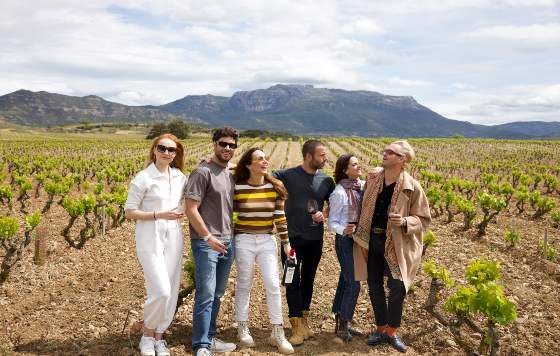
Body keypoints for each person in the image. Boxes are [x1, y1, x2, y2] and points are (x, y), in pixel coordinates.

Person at [353, 140, 431, 353]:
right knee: (375, 285)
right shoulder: (373, 179)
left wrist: (405, 222)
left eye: (391, 152)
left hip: (396, 244)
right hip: (371, 240)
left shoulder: (412, 187)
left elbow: (423, 220)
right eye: (385, 150)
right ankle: (380, 329)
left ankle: (392, 332)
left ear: (402, 159)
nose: (385, 153)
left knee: (398, 287)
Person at [124, 133, 188, 356]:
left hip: (174, 236)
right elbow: (129, 211)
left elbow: (190, 200)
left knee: (170, 289)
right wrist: (158, 214)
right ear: (154, 150)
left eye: (172, 150)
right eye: (162, 148)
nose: (167, 153)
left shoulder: (180, 177)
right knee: (160, 290)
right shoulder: (143, 178)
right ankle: (147, 334)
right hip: (149, 236)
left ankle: (159, 337)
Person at [232, 147, 294, 354]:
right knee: (244, 284)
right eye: (260, 159)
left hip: (267, 240)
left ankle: (277, 332)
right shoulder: (238, 187)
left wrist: (286, 243)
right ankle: (242, 327)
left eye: (265, 158)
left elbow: (280, 217)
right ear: (249, 165)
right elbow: (229, 215)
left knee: (273, 285)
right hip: (244, 240)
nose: (265, 161)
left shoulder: (275, 187)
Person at [273, 139, 335, 346]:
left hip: (315, 239)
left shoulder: (327, 181)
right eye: (321, 155)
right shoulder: (287, 175)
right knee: (292, 279)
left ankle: (304, 320)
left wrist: (324, 213)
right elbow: (261, 175)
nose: (325, 158)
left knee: (309, 279)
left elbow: (335, 204)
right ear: (309, 156)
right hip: (291, 240)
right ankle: (295, 324)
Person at [184, 127, 239, 356]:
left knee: (217, 293)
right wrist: (208, 237)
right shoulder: (202, 172)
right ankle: (201, 345)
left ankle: (210, 337)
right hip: (207, 242)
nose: (227, 148)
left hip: (228, 241)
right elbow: (190, 208)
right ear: (214, 144)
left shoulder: (229, 173)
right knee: (206, 293)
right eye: (223, 144)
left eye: (232, 145)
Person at [328, 154, 365, 342]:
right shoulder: (339, 193)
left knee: (345, 280)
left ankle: (339, 317)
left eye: (358, 163)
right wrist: (344, 229)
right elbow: (331, 222)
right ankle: (344, 323)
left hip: (358, 240)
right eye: (354, 164)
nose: (359, 166)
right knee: (354, 283)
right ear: (345, 170)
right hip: (345, 241)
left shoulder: (361, 186)